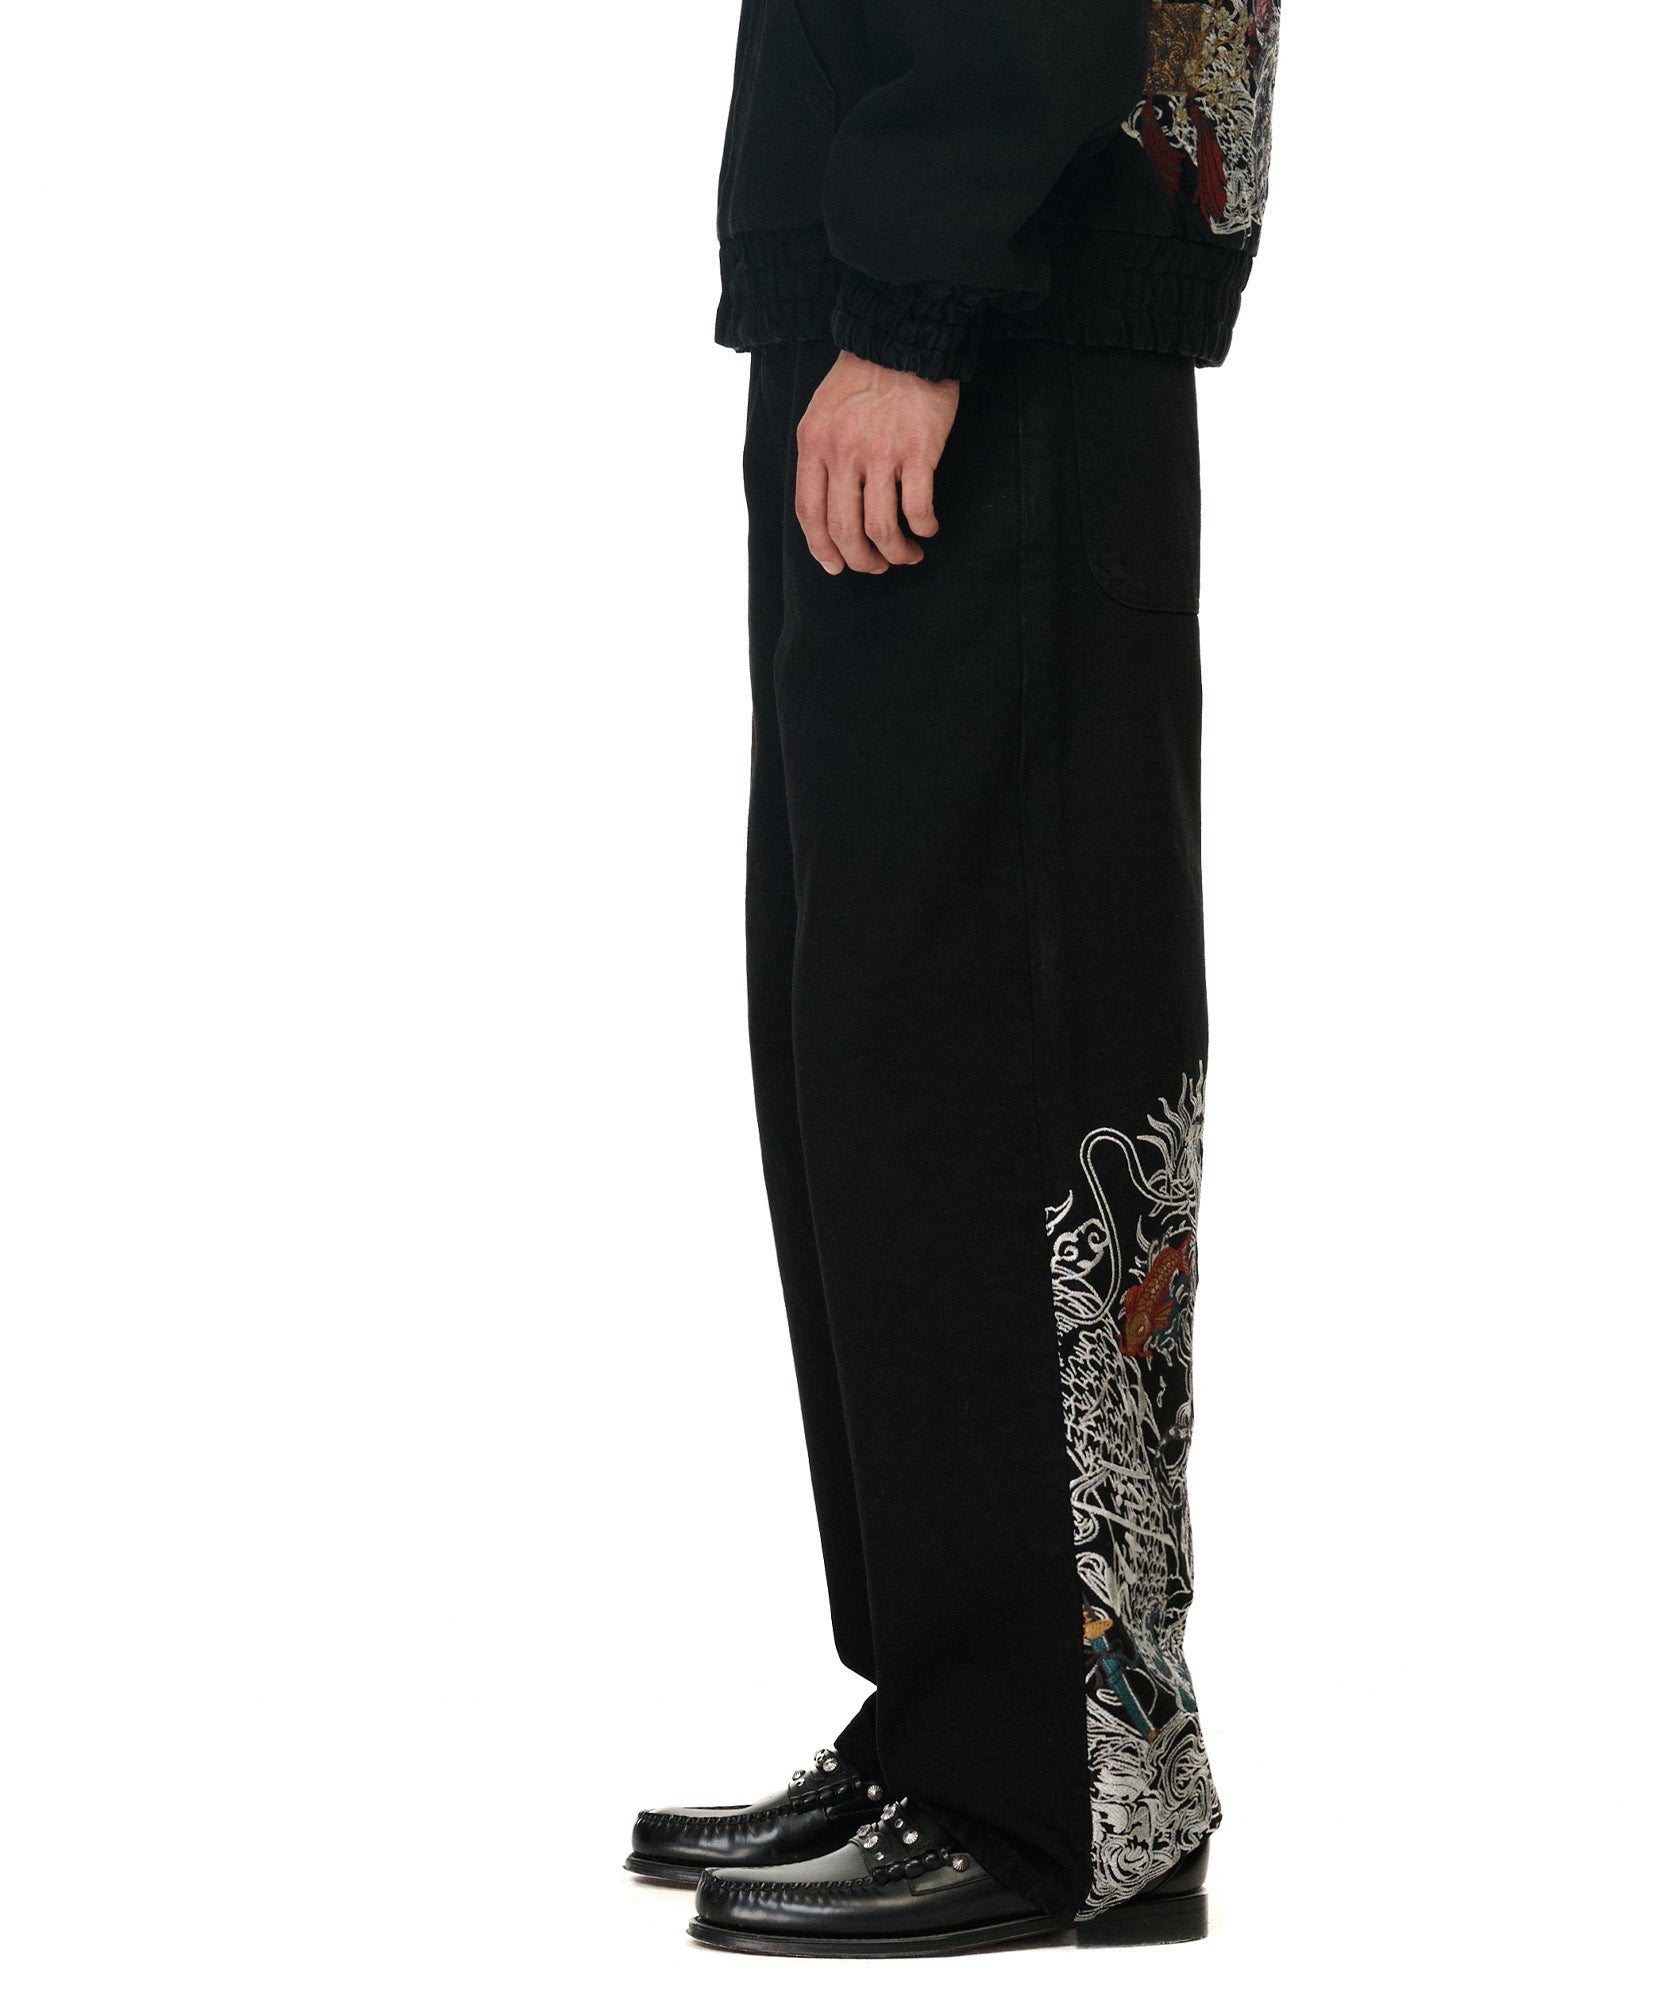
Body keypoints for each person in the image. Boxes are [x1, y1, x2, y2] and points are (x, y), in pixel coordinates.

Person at [626, 1, 1282, 1958]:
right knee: (877, 1049)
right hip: (926, 282)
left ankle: (1059, 1786)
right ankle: (952, 1718)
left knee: (995, 1044)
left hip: (999, 302)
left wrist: (919, 305)